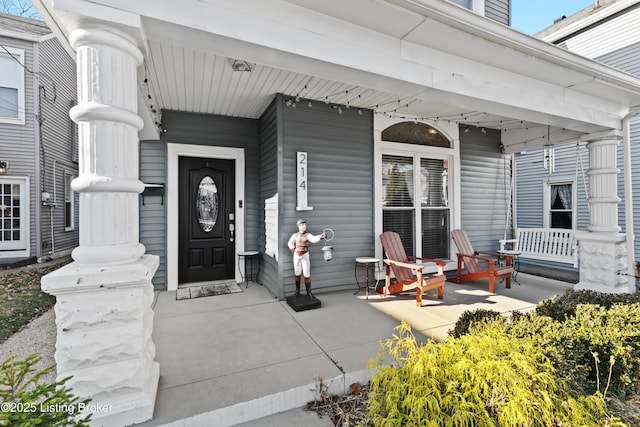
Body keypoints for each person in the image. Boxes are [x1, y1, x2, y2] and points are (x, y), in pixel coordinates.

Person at [287, 219, 324, 298]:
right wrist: (293, 250)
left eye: (304, 224)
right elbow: (290, 243)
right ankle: (297, 291)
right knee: (297, 272)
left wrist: (320, 237)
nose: (303, 226)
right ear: (298, 226)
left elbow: (314, 239)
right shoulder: (295, 235)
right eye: (301, 225)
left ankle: (309, 292)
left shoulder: (308, 235)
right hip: (297, 255)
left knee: (306, 273)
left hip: (305, 255)